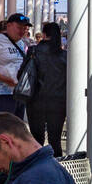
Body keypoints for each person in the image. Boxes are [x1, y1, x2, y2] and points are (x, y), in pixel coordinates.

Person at [0, 12, 33, 117]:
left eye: (24, 28)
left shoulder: (22, 43)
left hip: (19, 93)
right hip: (2, 95)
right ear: (9, 26)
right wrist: (4, 78)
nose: (22, 31)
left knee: (17, 128)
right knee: (5, 127)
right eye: (19, 27)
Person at [25, 21, 67, 149]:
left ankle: (39, 166)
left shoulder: (33, 51)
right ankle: (56, 166)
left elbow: (22, 73)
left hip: (36, 100)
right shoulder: (65, 55)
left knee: (37, 140)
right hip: (58, 101)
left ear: (44, 34)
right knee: (55, 140)